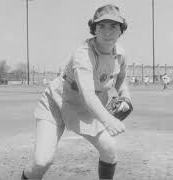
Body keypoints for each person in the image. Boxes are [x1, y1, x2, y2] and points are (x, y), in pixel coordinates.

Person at [21, 4, 132, 180]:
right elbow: (87, 94)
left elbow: (121, 80)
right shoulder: (83, 54)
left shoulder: (120, 54)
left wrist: (125, 98)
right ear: (94, 28)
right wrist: (108, 119)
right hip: (58, 101)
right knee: (41, 162)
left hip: (87, 109)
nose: (107, 31)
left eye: (113, 26)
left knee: (109, 150)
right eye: (101, 26)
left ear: (121, 30)